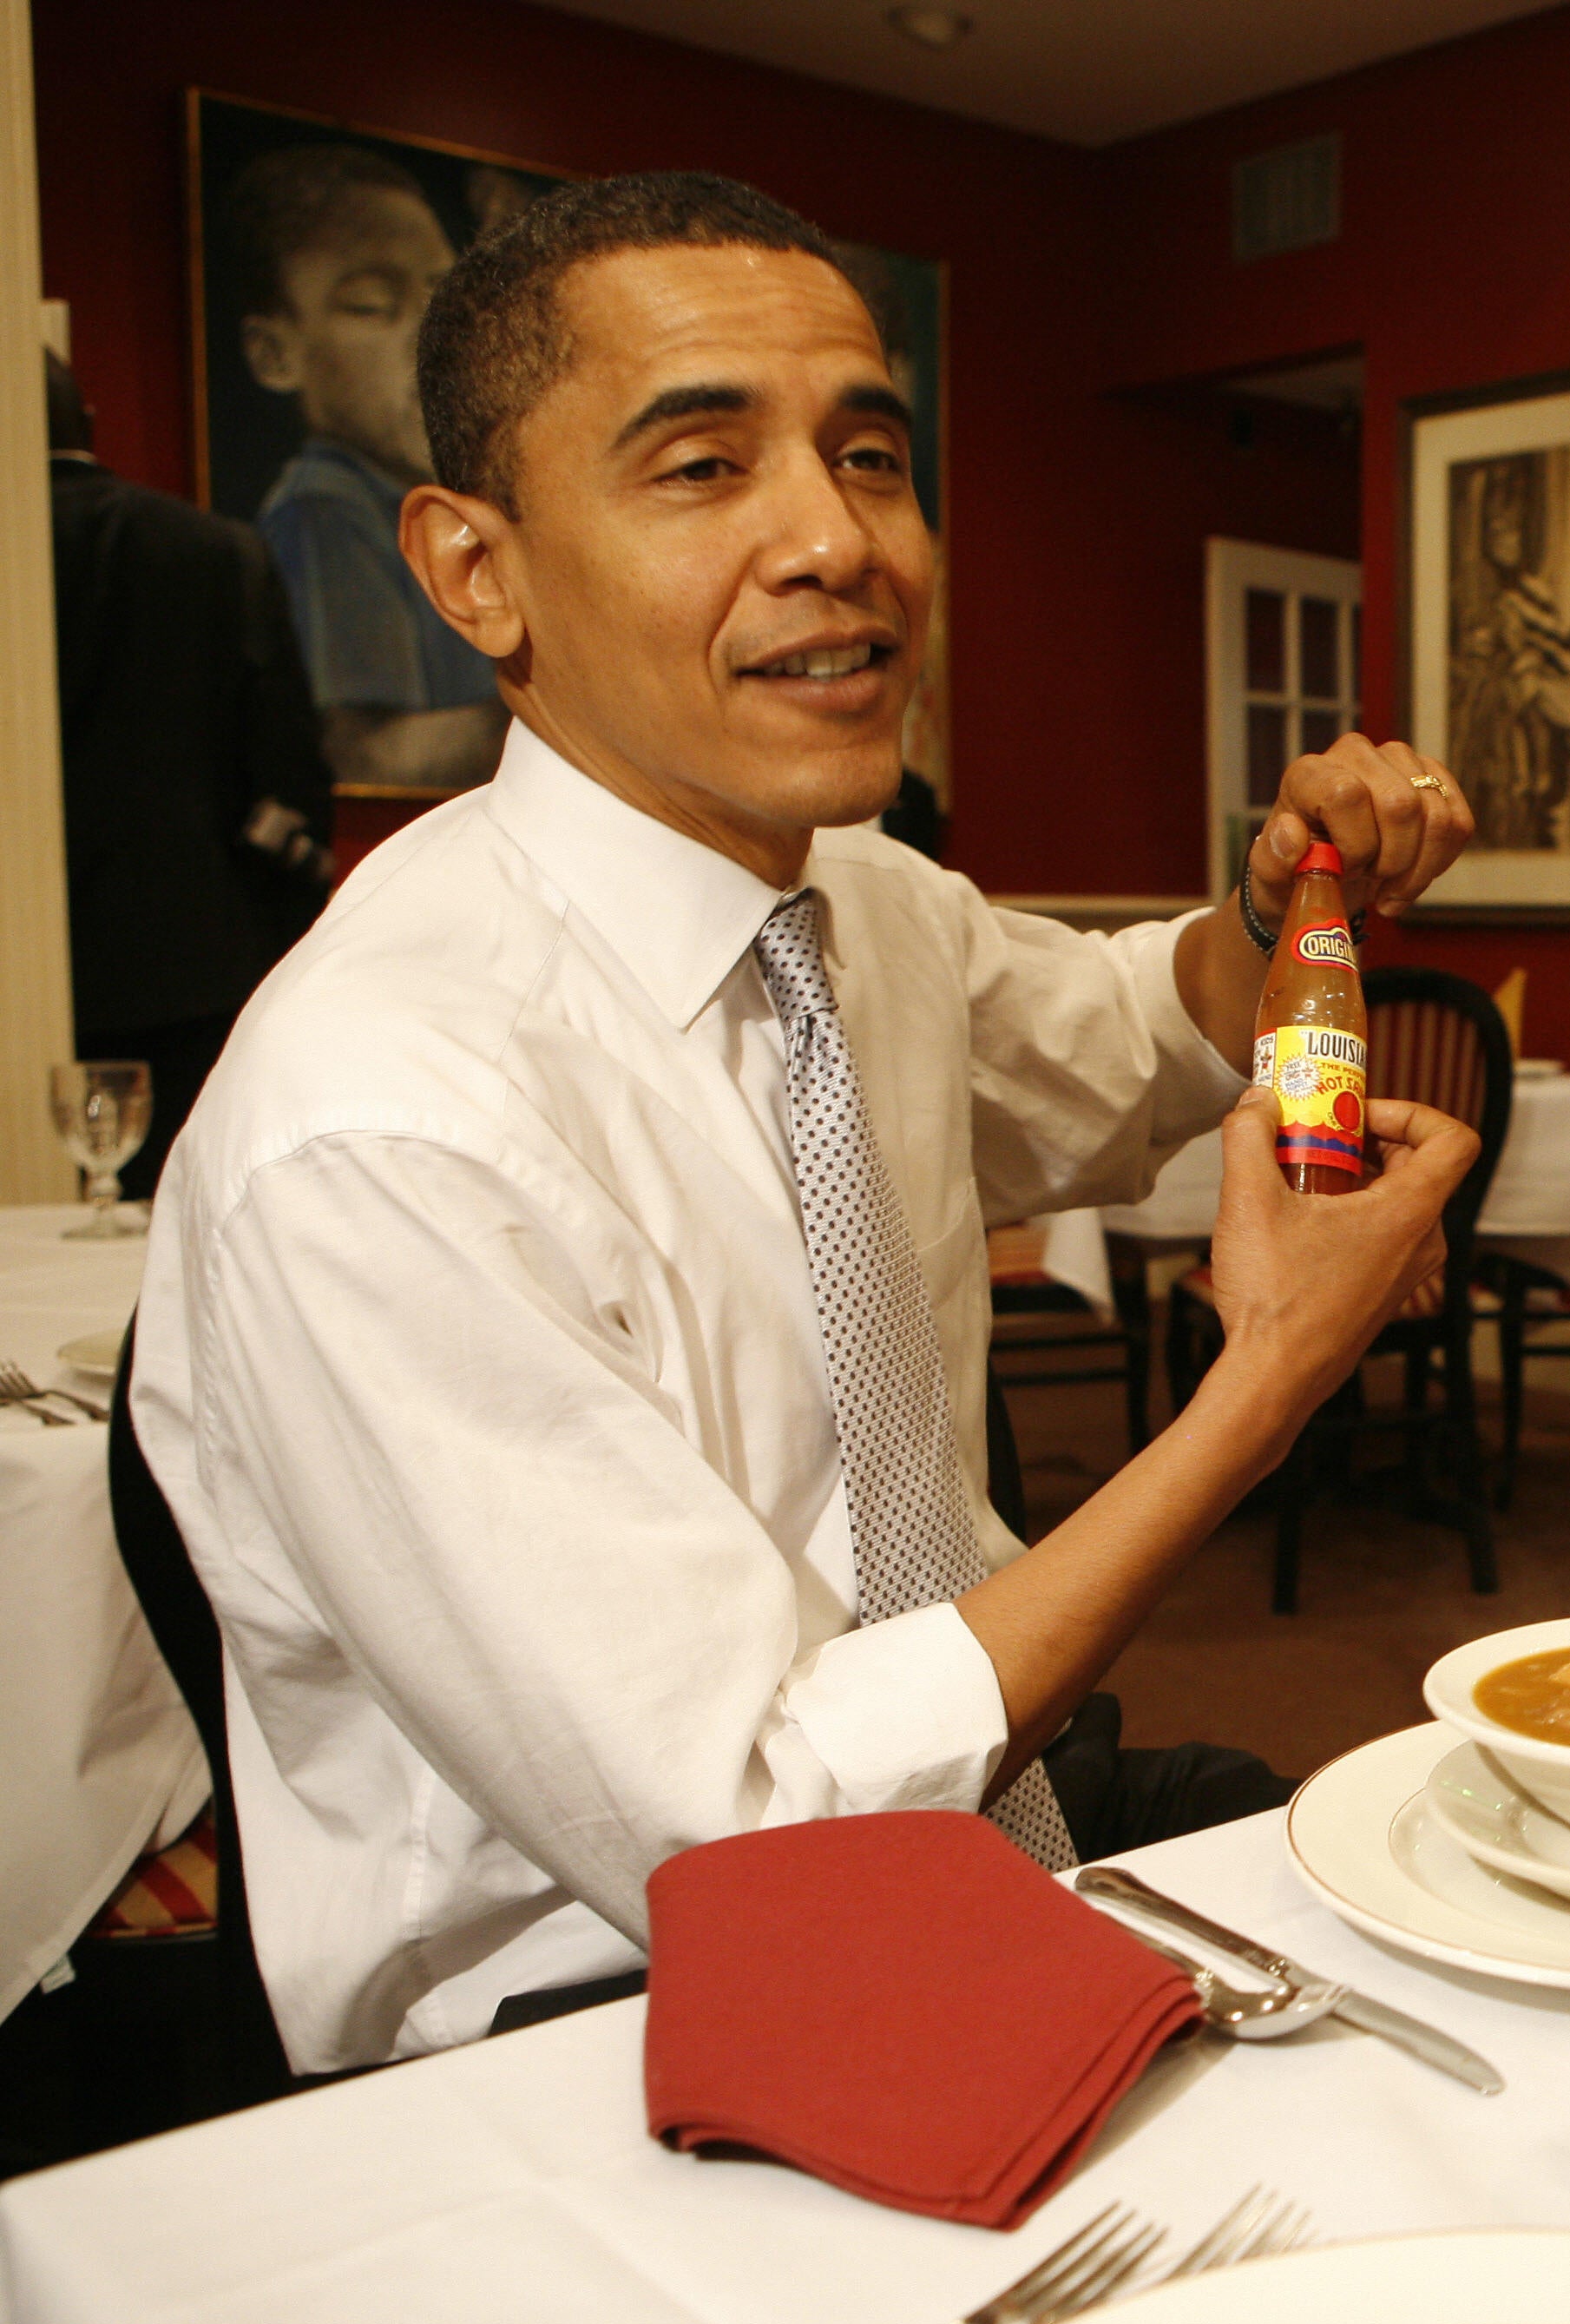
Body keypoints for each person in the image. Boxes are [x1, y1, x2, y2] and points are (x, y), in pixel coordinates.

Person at [131, 172, 1482, 2072]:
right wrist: (1263, 1380)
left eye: (869, 457)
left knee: (1457, 1939)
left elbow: (1112, 1039)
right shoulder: (378, 1120)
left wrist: (1271, 915)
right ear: (475, 571)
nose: (836, 541)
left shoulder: (860, 899)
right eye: (702, 468)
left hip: (1000, 1789)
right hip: (591, 1997)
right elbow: (754, 1830)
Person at [48, 349, 330, 1198]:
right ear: (90, 422)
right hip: (194, 960)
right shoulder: (217, 551)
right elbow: (287, 766)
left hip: (31, 960)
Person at [224, 142, 508, 788]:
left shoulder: (451, 501)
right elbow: (365, 756)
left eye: (443, 301)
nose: (428, 339)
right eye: (372, 307)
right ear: (274, 354)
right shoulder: (327, 511)